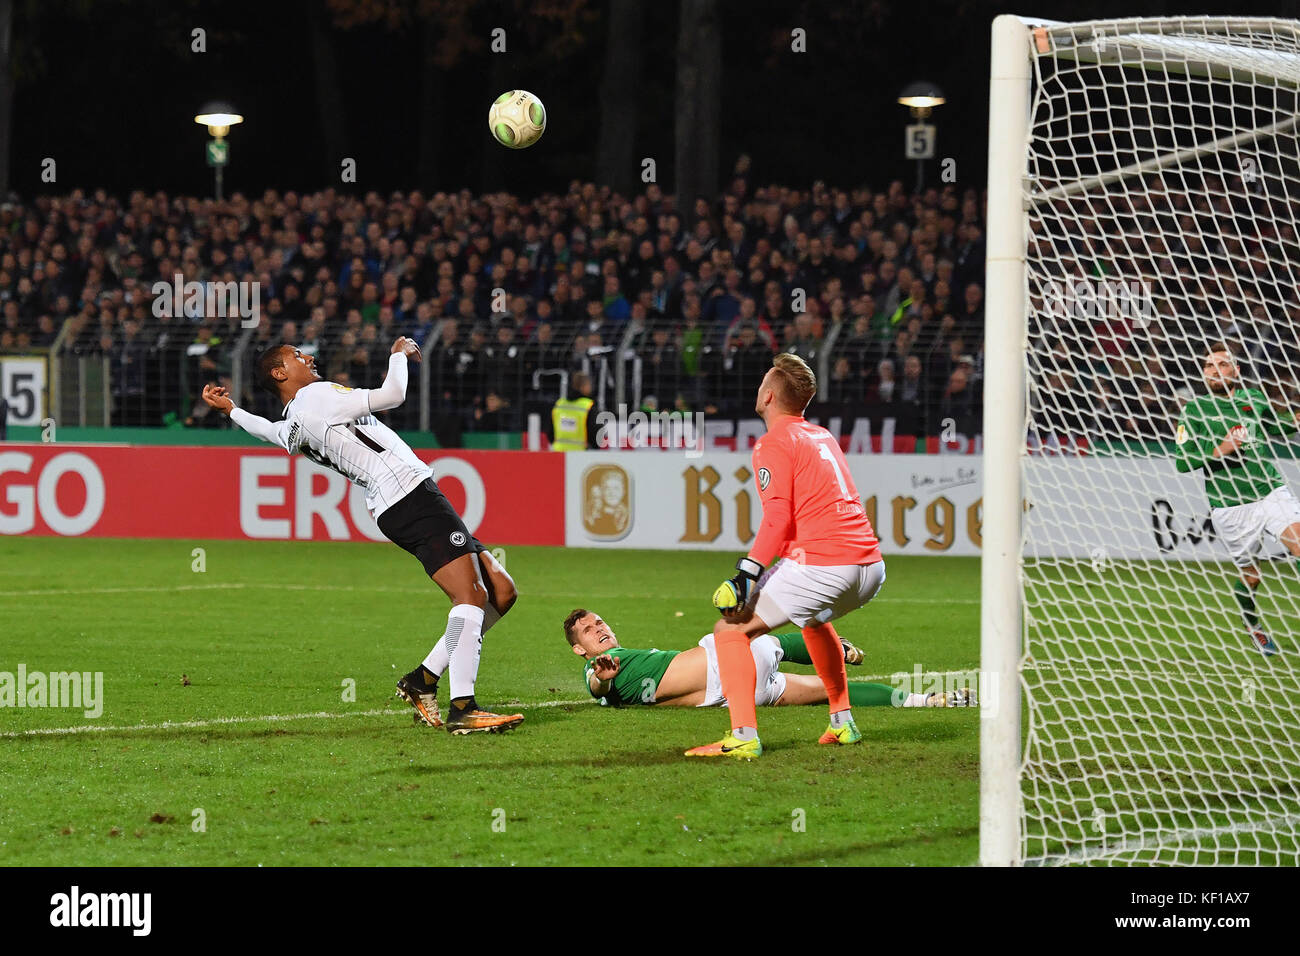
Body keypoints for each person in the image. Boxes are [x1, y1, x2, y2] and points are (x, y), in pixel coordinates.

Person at [199, 336, 523, 733]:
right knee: (470, 596)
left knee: (501, 591)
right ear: (280, 373)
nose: (310, 357)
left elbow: (269, 431)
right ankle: (463, 707)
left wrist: (231, 409)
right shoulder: (317, 396)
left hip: (400, 502)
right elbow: (394, 394)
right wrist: (398, 354)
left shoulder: (296, 422)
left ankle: (422, 680)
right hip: (409, 496)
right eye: (298, 356)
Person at [692, 352, 884, 759]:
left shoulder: (773, 442)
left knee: (729, 632)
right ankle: (842, 723)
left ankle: (743, 736)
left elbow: (777, 519)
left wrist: (746, 575)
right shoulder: (820, 436)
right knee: (814, 620)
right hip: (870, 567)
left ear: (768, 396)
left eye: (763, 381)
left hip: (828, 565)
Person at [563, 605, 973, 708]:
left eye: (600, 622)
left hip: (733, 698)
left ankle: (925, 700)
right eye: (588, 630)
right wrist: (603, 674)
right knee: (743, 635)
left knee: (830, 692)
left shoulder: (620, 676)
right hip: (735, 674)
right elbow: (596, 683)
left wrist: (607, 681)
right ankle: (833, 646)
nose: (599, 628)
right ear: (580, 649)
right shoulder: (598, 669)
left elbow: (603, 691)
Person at [1175, 342, 1300, 656]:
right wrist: (1221, 449)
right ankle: (1252, 625)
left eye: (1222, 365)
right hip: (1231, 507)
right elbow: (1182, 461)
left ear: (1236, 370)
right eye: (1208, 366)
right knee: (1251, 576)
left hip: (1270, 491)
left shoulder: (1253, 398)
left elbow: (1276, 426)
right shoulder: (1194, 410)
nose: (1214, 371)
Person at [549, 370, 597, 451]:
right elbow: (595, 433)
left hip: (559, 453)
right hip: (580, 453)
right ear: (584, 386)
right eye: (589, 385)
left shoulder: (559, 405)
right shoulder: (587, 406)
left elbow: (550, 432)